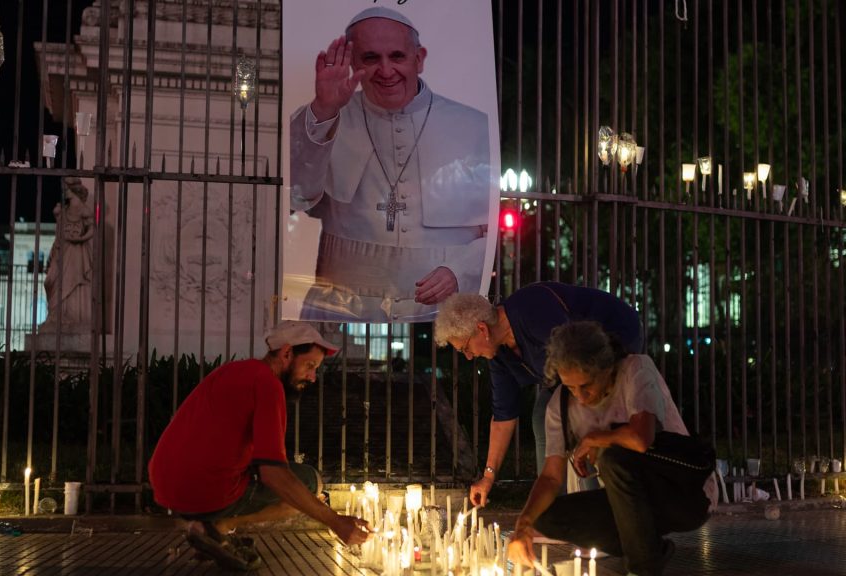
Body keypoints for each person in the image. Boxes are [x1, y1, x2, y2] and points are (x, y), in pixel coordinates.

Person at [290, 6, 492, 323]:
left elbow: (498, 231)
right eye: (370, 58)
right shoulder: (323, 116)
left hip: (439, 314)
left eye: (397, 56)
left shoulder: (475, 126)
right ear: (352, 62)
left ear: (419, 58)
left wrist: (459, 270)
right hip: (342, 310)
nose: (385, 71)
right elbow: (295, 196)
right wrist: (324, 109)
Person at [149, 321, 371, 571]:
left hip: (165, 486)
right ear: (287, 353)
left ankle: (206, 526)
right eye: (309, 366)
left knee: (294, 486)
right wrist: (335, 521)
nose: (312, 377)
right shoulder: (268, 384)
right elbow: (274, 474)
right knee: (310, 483)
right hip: (202, 490)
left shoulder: (235, 370)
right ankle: (217, 528)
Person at [507, 321, 716, 576]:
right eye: (571, 387)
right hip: (629, 503)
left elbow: (642, 438)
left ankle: (643, 568)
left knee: (614, 458)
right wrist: (523, 526)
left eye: (587, 385)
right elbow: (551, 477)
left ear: (607, 367)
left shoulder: (635, 370)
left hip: (686, 495)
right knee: (547, 516)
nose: (580, 397)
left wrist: (595, 438)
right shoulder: (559, 406)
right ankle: (650, 548)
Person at [432, 282, 642, 506]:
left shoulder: (533, 311)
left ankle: (593, 506)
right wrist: (488, 477)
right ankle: (553, 508)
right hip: (571, 368)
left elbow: (578, 362)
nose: (469, 357)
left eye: (465, 348)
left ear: (482, 329)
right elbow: (503, 418)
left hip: (612, 340)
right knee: (543, 415)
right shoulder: (499, 354)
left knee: (574, 415)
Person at [42, 177, 94, 332]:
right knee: (50, 281)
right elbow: (58, 234)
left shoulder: (84, 210)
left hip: (76, 251)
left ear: (73, 190)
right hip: (61, 249)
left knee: (71, 281)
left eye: (66, 188)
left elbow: (92, 229)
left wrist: (80, 238)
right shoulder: (63, 210)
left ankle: (69, 315)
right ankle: (56, 315)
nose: (64, 191)